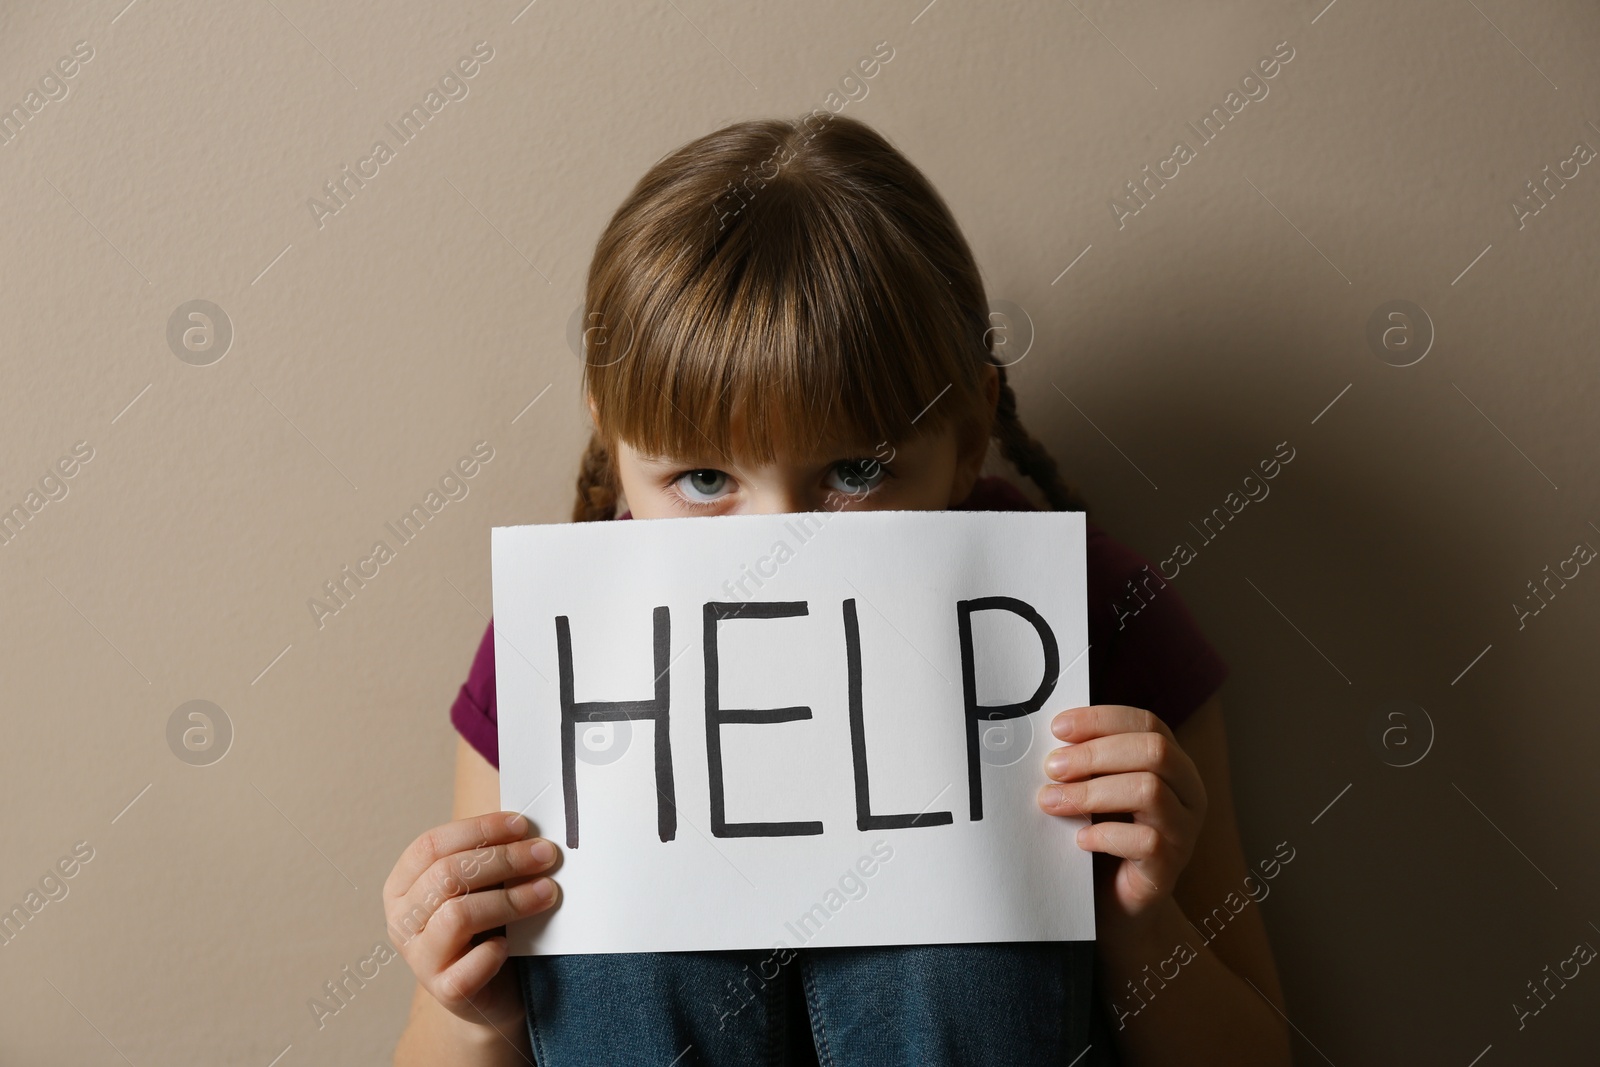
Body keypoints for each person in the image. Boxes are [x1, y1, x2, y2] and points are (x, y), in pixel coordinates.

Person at [387, 113, 1290, 1066]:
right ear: (614, 443)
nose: (778, 542)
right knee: (616, 912)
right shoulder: (573, 644)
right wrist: (470, 1006)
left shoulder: (1090, 613)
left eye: (856, 470)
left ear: (969, 435)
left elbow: (1257, 1052)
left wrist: (1137, 923)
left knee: (962, 920)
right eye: (703, 480)